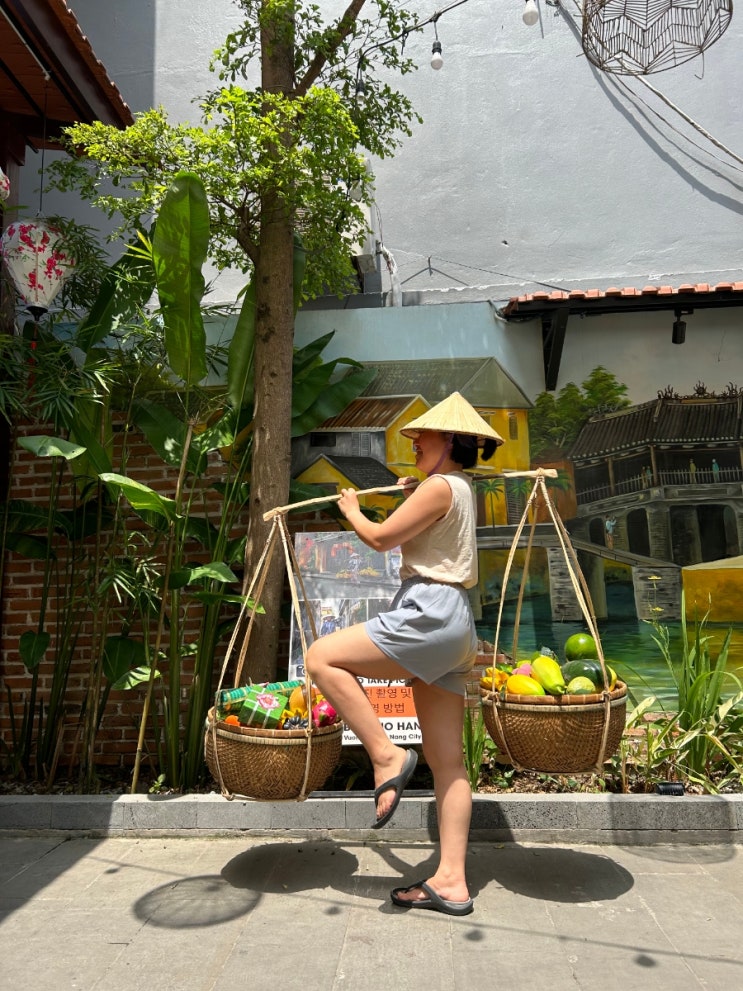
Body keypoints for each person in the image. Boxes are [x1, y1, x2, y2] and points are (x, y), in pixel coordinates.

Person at [305, 392, 503, 916]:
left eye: (423, 437)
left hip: (429, 611)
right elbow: (430, 531)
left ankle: (386, 755)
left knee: (321, 658)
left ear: (450, 440)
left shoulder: (440, 486)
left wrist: (352, 510)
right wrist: (414, 493)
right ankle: (452, 881)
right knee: (448, 763)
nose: (414, 443)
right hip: (456, 623)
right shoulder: (457, 488)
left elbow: (379, 538)